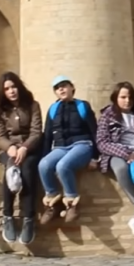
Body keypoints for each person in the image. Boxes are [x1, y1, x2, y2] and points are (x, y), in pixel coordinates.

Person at [95, 81, 134, 238]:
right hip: (117, 153)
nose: (127, 100)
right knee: (121, 169)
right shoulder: (108, 115)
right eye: (123, 97)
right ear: (116, 98)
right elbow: (102, 142)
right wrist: (126, 154)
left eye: (130, 97)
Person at [38, 75, 99, 224]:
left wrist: (95, 157)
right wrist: (45, 156)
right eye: (58, 88)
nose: (61, 89)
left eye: (64, 85)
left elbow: (94, 131)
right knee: (43, 165)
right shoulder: (53, 109)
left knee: (63, 166)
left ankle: (72, 204)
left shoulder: (82, 106)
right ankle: (53, 203)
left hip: (82, 145)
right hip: (60, 147)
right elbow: (47, 135)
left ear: (72, 88)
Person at [0, 71, 43, 245]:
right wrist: (11, 148)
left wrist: (25, 147)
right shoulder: (1, 110)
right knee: (10, 170)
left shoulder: (32, 105)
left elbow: (36, 131)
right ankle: (7, 216)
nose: (11, 91)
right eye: (7, 89)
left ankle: (28, 218)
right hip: (11, 150)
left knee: (28, 170)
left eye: (13, 86)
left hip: (30, 148)